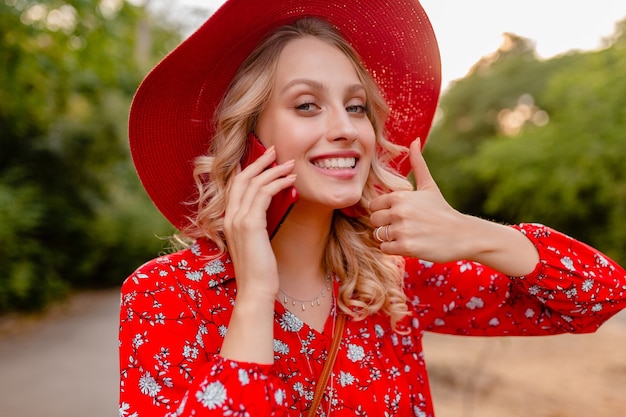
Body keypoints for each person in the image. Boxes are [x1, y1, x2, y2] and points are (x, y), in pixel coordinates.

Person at [118, 1, 626, 416]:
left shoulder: (391, 279)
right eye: (307, 105)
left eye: (356, 106)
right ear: (249, 137)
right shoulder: (166, 296)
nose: (346, 127)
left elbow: (601, 296)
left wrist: (472, 234)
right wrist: (255, 298)